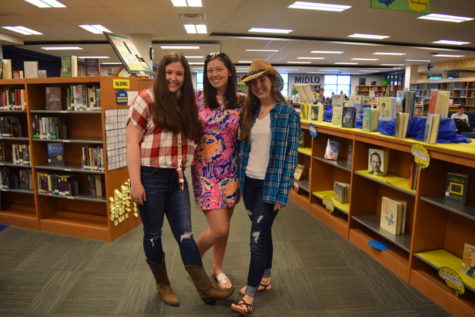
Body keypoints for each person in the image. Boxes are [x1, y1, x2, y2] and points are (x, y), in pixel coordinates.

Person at [126, 53, 234, 307]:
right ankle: (163, 284)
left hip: (177, 178)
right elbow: (132, 141)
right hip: (150, 176)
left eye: (179, 74)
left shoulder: (188, 104)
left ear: (185, 77)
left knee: (185, 234)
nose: (173, 78)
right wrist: (135, 181)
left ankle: (205, 289)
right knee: (153, 234)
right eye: (169, 73)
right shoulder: (146, 99)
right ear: (161, 73)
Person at [230, 59, 301, 315]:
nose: (259, 86)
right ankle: (266, 278)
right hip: (249, 183)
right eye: (254, 83)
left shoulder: (289, 114)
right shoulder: (248, 112)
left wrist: (283, 194)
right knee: (263, 232)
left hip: (270, 187)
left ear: (272, 81)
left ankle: (249, 296)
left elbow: (291, 156)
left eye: (262, 80)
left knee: (256, 240)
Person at [191, 52, 244, 289]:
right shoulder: (197, 99)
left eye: (219, 69)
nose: (214, 74)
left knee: (224, 228)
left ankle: (217, 268)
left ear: (229, 71)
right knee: (218, 228)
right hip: (205, 171)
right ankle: (190, 261)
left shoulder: (242, 101)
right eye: (210, 70)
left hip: (231, 171)